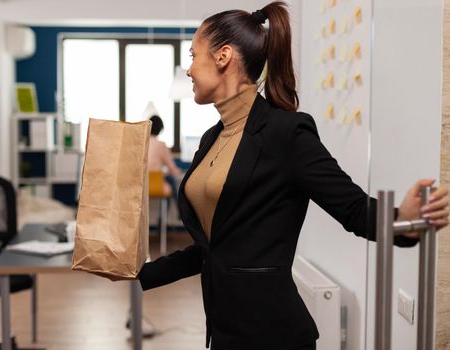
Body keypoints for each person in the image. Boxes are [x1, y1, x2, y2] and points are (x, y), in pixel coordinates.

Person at [135, 2, 449, 350]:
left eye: (193, 55)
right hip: (224, 330)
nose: (189, 69)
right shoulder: (213, 138)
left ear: (223, 56)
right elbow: (216, 249)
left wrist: (401, 220)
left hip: (274, 335)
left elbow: (355, 210)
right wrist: (140, 272)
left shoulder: (287, 133)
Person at [148, 115, 182, 199]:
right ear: (160, 129)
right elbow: (172, 168)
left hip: (141, 186)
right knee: (172, 182)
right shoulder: (161, 145)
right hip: (156, 185)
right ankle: (179, 211)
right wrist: (180, 172)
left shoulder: (141, 144)